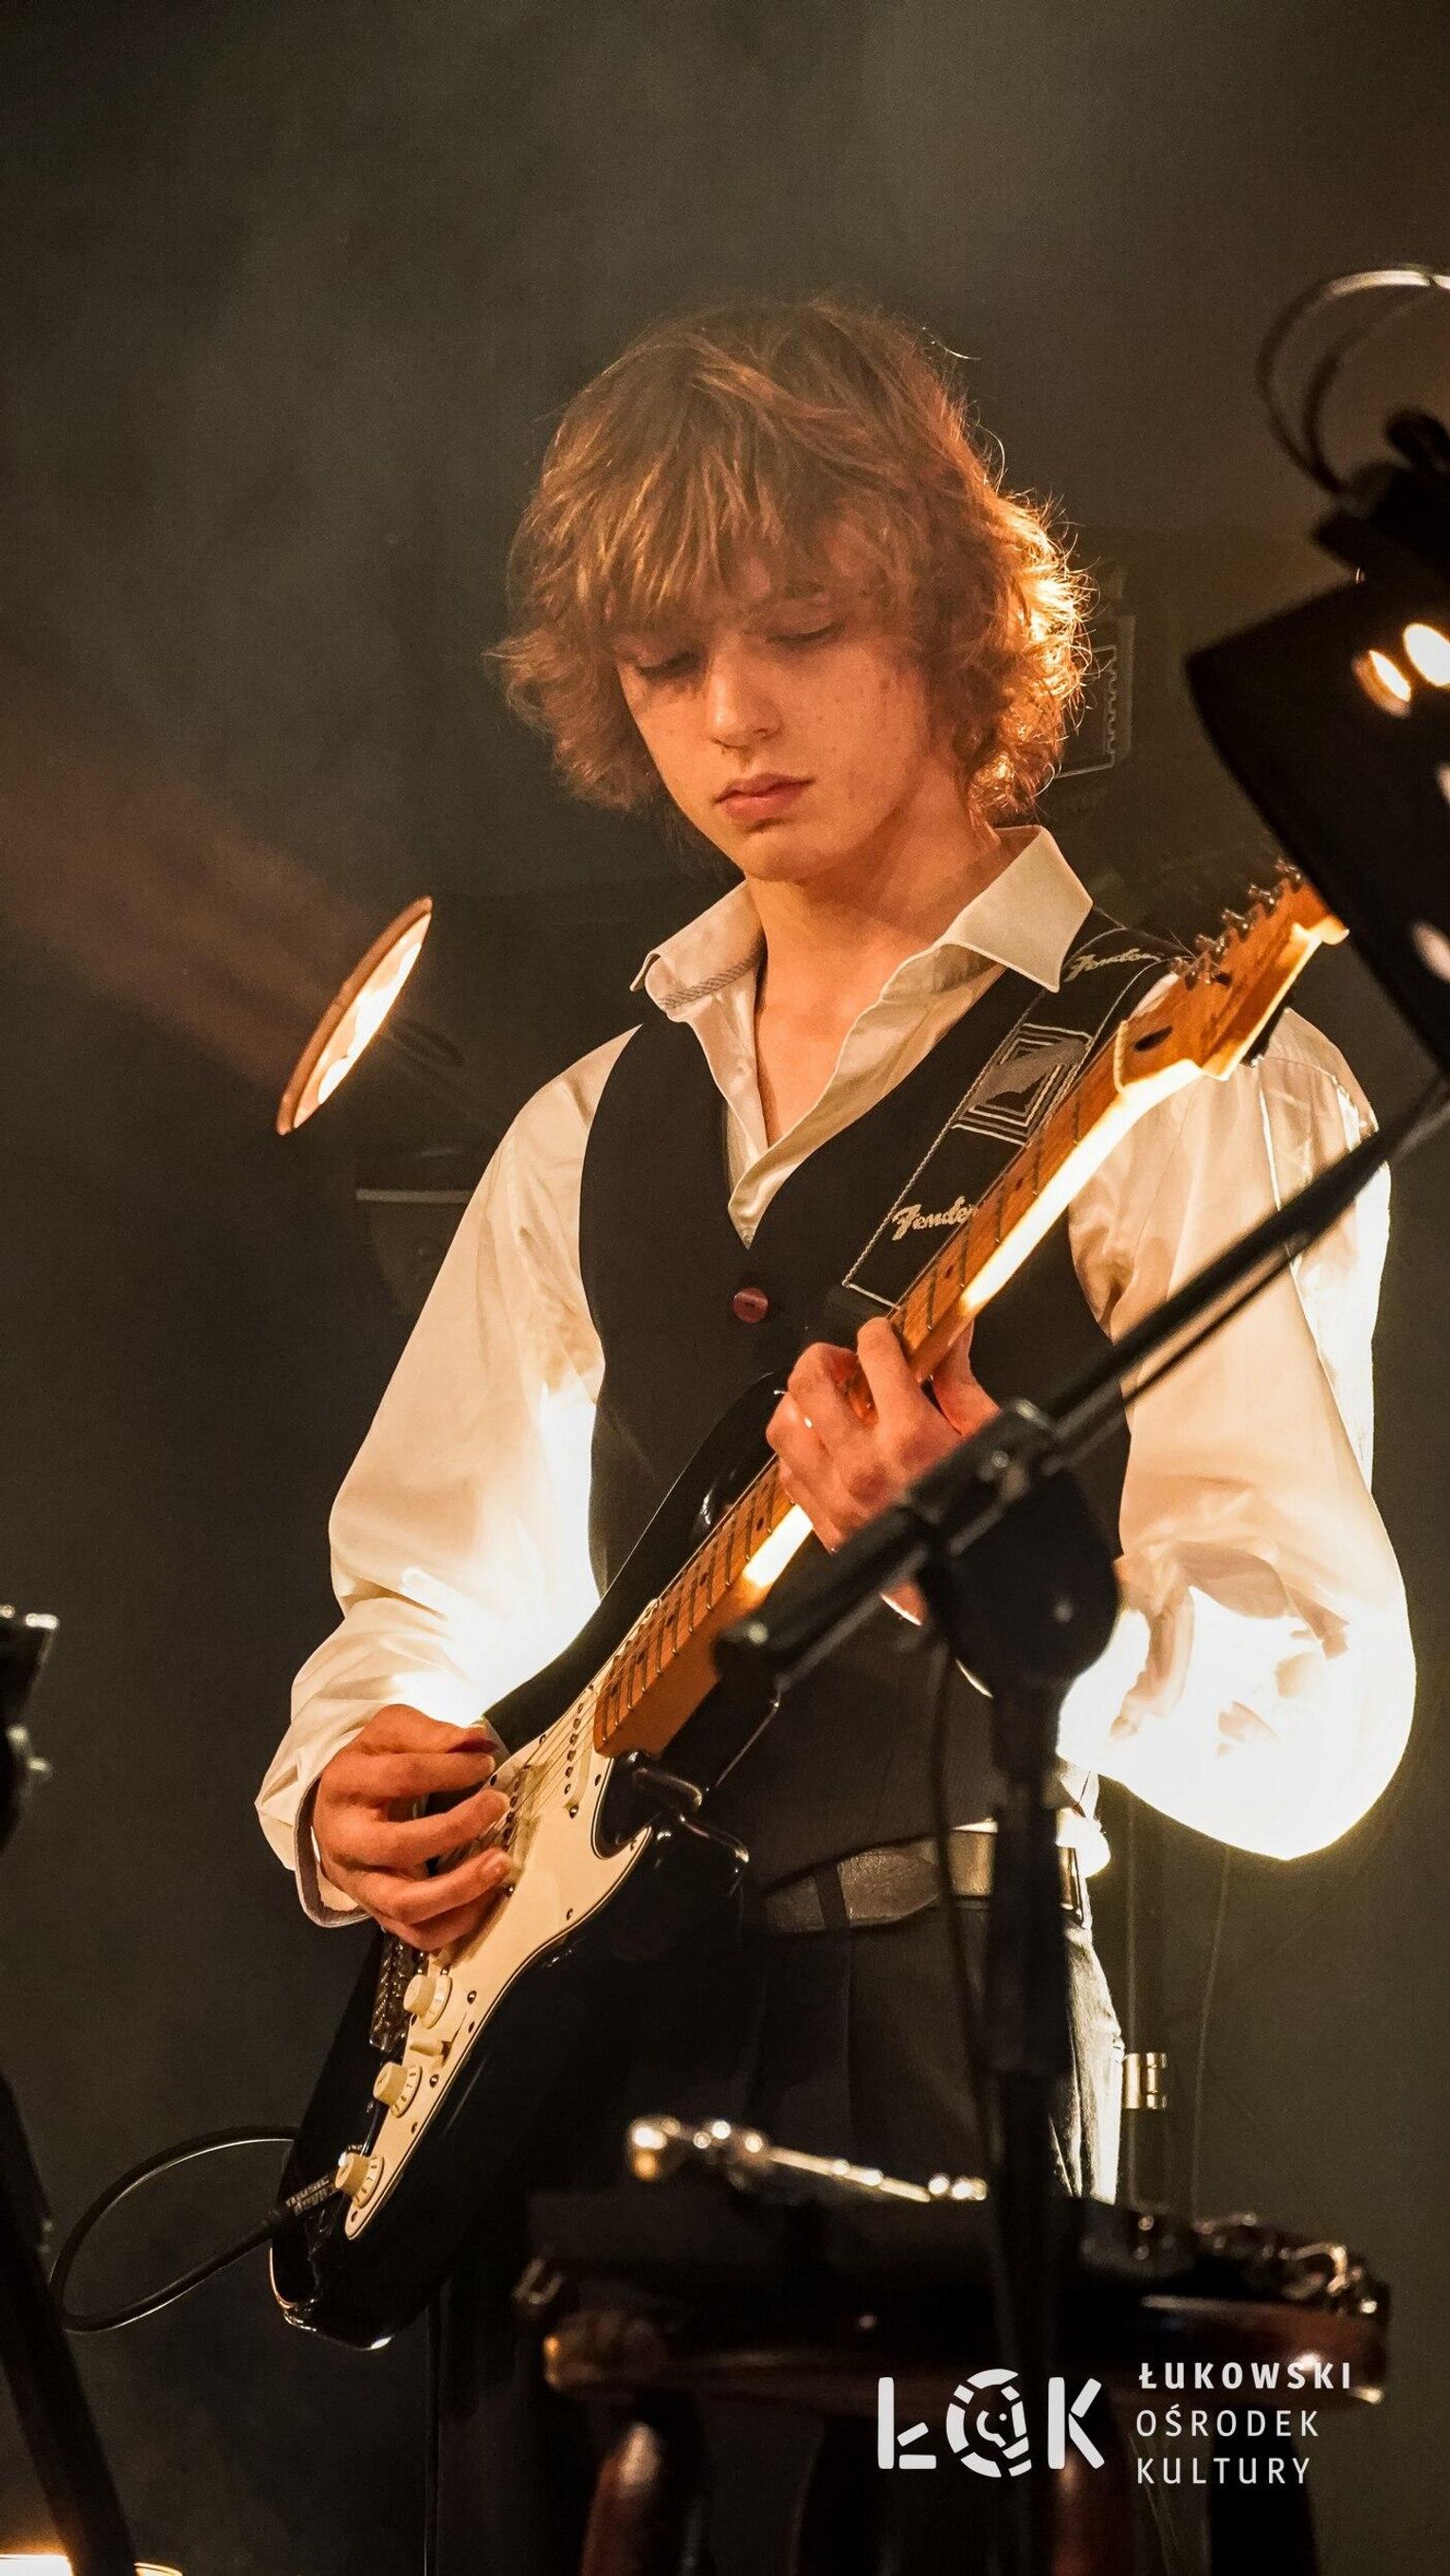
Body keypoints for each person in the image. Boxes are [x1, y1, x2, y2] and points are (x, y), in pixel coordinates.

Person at [258, 297, 1413, 2573]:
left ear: (960, 621)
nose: (731, 715)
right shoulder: (579, 1126)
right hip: (558, 2105)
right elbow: (422, 1599)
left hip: (939, 2085)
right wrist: (346, 1782)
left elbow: (1321, 1718)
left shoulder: (1184, 1081)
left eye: (799, 628)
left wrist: (1002, 1572)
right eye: (666, 662)